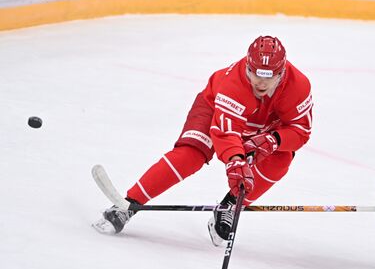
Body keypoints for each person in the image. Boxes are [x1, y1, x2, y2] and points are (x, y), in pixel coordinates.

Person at [93, 36, 313, 246]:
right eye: (256, 74)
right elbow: (226, 134)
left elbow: (301, 130)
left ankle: (229, 207)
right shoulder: (233, 84)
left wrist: (275, 139)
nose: (261, 83)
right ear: (247, 66)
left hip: (264, 126)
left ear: (281, 73)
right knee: (191, 154)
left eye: (268, 77)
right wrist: (236, 162)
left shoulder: (298, 86)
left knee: (280, 160)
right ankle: (128, 204)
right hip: (213, 109)